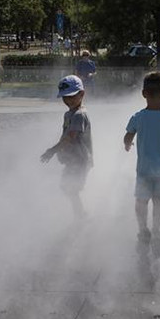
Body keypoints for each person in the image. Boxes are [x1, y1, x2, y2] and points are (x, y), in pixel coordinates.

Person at [124, 71, 160, 247]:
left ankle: (143, 229)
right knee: (159, 201)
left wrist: (127, 144)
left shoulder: (138, 117)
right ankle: (156, 229)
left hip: (143, 170)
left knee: (141, 201)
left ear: (144, 94)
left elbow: (128, 136)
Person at [41, 75, 93, 218]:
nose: (67, 100)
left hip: (81, 160)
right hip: (73, 159)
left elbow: (70, 138)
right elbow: (65, 135)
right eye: (65, 97)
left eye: (71, 96)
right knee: (67, 187)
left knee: (71, 188)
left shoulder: (79, 115)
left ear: (82, 94)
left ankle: (82, 215)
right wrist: (61, 153)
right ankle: (80, 214)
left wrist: (52, 151)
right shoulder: (69, 114)